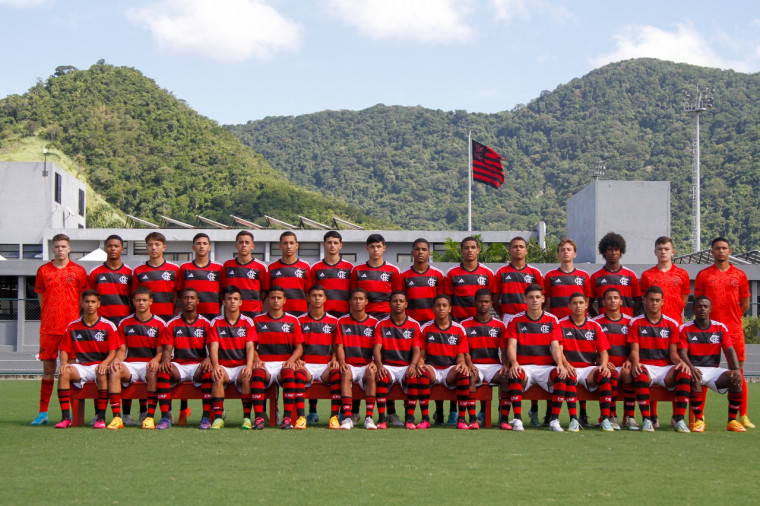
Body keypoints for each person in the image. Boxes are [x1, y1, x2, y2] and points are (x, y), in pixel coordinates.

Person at [694, 237, 753, 429]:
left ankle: (742, 415)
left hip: (734, 330)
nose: (721, 251)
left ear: (730, 251)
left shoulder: (740, 275)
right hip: (708, 330)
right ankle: (699, 416)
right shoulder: (703, 275)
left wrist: (732, 318)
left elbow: (744, 303)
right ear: (711, 251)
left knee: (738, 372)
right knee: (702, 372)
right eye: (717, 248)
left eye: (724, 248)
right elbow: (699, 302)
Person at [32, 233, 88, 426]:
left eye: (63, 246)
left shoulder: (79, 271)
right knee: (48, 371)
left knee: (69, 371)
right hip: (48, 328)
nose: (60, 249)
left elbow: (83, 299)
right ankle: (42, 413)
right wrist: (49, 313)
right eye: (57, 246)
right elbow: (41, 296)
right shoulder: (43, 271)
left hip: (70, 330)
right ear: (53, 249)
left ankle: (70, 413)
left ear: (69, 248)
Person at [88, 234, 141, 425]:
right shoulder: (95, 273)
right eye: (109, 246)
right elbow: (90, 298)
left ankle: (125, 414)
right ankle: (98, 412)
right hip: (101, 327)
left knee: (122, 368)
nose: (112, 249)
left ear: (122, 249)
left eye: (116, 246)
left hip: (123, 326)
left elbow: (133, 298)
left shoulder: (129, 273)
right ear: (105, 248)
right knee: (100, 367)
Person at [442, 236, 495, 425]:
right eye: (466, 248)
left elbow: (491, 298)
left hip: (479, 326)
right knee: (457, 368)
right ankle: (452, 412)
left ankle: (481, 413)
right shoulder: (452, 273)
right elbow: (447, 299)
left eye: (473, 247)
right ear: (462, 251)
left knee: (474, 368)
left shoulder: (488, 273)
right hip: (458, 325)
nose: (470, 251)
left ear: (478, 250)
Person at [350, 233, 402, 424]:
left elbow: (397, 296)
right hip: (363, 322)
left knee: (385, 365)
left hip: (385, 321)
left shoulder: (393, 271)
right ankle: (354, 412)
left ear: (384, 248)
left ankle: (391, 411)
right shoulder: (358, 270)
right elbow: (354, 295)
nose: (375, 250)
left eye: (378, 246)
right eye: (372, 246)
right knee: (358, 362)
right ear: (367, 248)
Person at [639, 236, 691, 427]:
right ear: (655, 251)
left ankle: (677, 415)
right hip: (652, 327)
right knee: (651, 367)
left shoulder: (682, 274)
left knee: (677, 369)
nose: (663, 252)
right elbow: (644, 298)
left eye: (666, 248)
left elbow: (684, 298)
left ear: (672, 251)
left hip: (674, 326)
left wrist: (671, 315)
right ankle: (652, 415)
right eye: (659, 248)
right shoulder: (647, 275)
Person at [504, 284, 568, 432]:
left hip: (545, 368)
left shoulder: (552, 320)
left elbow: (555, 346)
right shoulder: (515, 320)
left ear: (543, 299)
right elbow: (511, 346)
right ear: (525, 299)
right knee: (515, 373)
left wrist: (559, 363)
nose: (534, 300)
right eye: (531, 297)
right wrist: (514, 363)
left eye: (538, 297)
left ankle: (554, 420)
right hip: (525, 367)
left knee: (560, 374)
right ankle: (518, 419)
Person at [542, 238, 592, 426]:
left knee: (579, 366)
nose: (565, 252)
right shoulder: (550, 276)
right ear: (558, 254)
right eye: (562, 249)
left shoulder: (583, 276)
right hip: (557, 328)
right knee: (555, 369)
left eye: (569, 249)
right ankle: (549, 413)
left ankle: (583, 413)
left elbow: (587, 301)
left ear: (575, 253)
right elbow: (546, 303)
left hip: (577, 330)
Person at [627, 286, 691, 433]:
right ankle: (647, 421)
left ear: (662, 302)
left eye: (657, 300)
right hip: (646, 366)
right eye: (651, 300)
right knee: (639, 373)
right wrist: (636, 363)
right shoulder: (635, 323)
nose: (654, 303)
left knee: (683, 373)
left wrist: (681, 364)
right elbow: (634, 350)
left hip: (664, 368)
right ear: (645, 301)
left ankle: (679, 420)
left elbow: (673, 354)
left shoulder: (672, 324)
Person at [304, 231, 353, 424]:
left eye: (336, 243)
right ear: (324, 245)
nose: (332, 246)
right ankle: (313, 411)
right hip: (320, 318)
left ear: (341, 246)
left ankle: (343, 411)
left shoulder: (349, 268)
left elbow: (354, 293)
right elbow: (310, 293)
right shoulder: (315, 268)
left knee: (341, 365)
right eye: (329, 242)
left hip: (342, 320)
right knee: (314, 360)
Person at [678, 296, 745, 432]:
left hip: (714, 370)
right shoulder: (685, 328)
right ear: (694, 309)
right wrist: (691, 368)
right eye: (699, 306)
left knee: (736, 379)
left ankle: (732, 420)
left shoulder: (720, 328)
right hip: (695, 368)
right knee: (694, 378)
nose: (702, 309)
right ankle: (699, 420)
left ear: (710, 309)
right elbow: (682, 352)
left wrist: (737, 369)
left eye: (705, 306)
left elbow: (729, 349)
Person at [54, 290, 119, 429]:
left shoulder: (108, 326)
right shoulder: (72, 326)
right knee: (64, 373)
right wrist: (64, 363)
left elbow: (113, 352)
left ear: (99, 304)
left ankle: (100, 418)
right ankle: (65, 418)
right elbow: (64, 349)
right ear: (81, 304)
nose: (90, 305)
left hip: (100, 365)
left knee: (101, 373)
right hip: (82, 366)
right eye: (87, 302)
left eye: (93, 302)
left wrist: (105, 363)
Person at [106, 287, 165, 429]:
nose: (141, 303)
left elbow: (161, 352)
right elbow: (121, 351)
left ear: (151, 301)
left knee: (153, 371)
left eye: (144, 300)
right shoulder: (124, 323)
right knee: (114, 370)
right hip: (131, 364)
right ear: (133, 302)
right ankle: (117, 417)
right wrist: (116, 361)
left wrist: (156, 360)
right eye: (138, 300)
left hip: (149, 364)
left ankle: (149, 417)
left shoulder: (160, 324)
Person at [154, 288, 214, 430]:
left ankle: (205, 416)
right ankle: (165, 417)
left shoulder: (206, 324)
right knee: (163, 371)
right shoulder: (172, 324)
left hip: (197, 365)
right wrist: (166, 360)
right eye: (186, 298)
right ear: (181, 301)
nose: (189, 301)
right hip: (179, 366)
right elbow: (167, 350)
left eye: (192, 298)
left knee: (207, 371)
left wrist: (209, 359)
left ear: (198, 301)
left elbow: (213, 348)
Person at [250, 286, 306, 430]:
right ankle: (259, 419)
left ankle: (287, 418)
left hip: (283, 364)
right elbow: (252, 345)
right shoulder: (257, 320)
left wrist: (291, 360)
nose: (276, 301)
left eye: (279, 298)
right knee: (257, 374)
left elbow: (299, 348)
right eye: (273, 298)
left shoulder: (293, 320)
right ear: (267, 300)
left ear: (284, 300)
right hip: (265, 364)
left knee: (289, 373)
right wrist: (256, 358)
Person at [419, 295, 477, 430]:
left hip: (449, 369)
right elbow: (421, 355)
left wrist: (462, 364)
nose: (441, 308)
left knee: (463, 373)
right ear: (433, 308)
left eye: (444, 305)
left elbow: (460, 356)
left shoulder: (459, 329)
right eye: (438, 305)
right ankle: (425, 418)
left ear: (450, 309)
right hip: (433, 368)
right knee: (422, 373)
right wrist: (420, 365)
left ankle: (461, 419)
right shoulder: (425, 328)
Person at [559, 293, 615, 432]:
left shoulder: (595, 326)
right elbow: (558, 350)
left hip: (588, 369)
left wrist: (603, 365)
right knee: (569, 376)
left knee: (605, 375)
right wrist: (566, 364)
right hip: (570, 367)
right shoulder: (561, 324)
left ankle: (605, 419)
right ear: (569, 306)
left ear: (586, 305)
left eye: (581, 303)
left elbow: (603, 351)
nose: (578, 306)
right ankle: (573, 420)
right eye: (574, 303)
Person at [373, 291, 424, 429]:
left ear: (406, 304)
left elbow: (417, 350)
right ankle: (382, 419)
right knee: (381, 377)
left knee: (413, 377)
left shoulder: (414, 325)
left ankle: (410, 419)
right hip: (388, 365)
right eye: (395, 301)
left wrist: (413, 365)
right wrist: (379, 365)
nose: (398, 304)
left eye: (401, 301)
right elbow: (377, 348)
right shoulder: (381, 324)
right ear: (389, 304)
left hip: (405, 366)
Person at [207, 286, 257, 430]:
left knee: (247, 376)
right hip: (224, 365)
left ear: (241, 302)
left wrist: (248, 366)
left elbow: (250, 346)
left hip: (241, 365)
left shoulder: (248, 322)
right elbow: (214, 347)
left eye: (235, 299)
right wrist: (216, 365)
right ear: (223, 302)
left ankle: (247, 418)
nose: (232, 302)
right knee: (217, 376)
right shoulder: (216, 322)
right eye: (229, 299)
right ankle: (218, 418)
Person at [459, 289, 509, 428]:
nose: (483, 304)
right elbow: (464, 350)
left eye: (486, 301)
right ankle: (473, 419)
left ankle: (504, 419)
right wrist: (469, 364)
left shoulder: (500, 325)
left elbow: (504, 349)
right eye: (480, 301)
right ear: (475, 303)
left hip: (493, 365)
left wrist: (505, 365)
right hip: (475, 364)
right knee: (470, 376)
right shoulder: (465, 325)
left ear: (491, 304)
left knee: (506, 377)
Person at [334, 288, 379, 430]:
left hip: (366, 364)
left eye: (361, 299)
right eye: (355, 299)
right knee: (345, 372)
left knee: (372, 373)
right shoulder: (342, 321)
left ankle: (369, 418)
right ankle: (348, 417)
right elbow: (339, 346)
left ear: (366, 302)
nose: (358, 301)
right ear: (350, 301)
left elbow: (378, 347)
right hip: (351, 365)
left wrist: (374, 361)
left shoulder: (374, 323)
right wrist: (342, 362)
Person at [297, 284, 340, 429]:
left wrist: (334, 359)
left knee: (336, 373)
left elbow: (337, 345)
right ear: (308, 298)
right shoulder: (300, 321)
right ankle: (301, 417)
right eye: (314, 295)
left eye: (320, 296)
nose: (317, 298)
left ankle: (334, 417)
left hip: (325, 366)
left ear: (325, 299)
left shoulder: (334, 321)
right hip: (307, 364)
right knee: (298, 375)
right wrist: (298, 360)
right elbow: (297, 345)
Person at [591, 288, 634, 430]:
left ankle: (628, 416)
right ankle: (611, 415)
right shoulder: (596, 322)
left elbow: (635, 346)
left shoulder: (630, 322)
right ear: (603, 302)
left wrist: (629, 359)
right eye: (609, 298)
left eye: (616, 298)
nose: (612, 301)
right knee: (610, 374)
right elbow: (592, 348)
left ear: (621, 301)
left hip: (624, 365)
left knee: (628, 373)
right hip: (605, 365)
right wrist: (600, 361)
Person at [589, 232, 641, 317]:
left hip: (626, 326)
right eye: (610, 249)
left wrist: (630, 317)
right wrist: (597, 319)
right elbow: (588, 303)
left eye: (616, 249)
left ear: (621, 252)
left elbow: (638, 301)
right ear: (604, 252)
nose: (613, 252)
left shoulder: (630, 275)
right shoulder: (596, 277)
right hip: (604, 326)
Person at [221, 230, 269, 319]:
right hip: (232, 314)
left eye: (247, 242)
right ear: (236, 245)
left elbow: (264, 291)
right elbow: (223, 289)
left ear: (252, 246)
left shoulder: (261, 267)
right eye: (241, 242)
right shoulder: (227, 265)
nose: (244, 245)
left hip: (254, 313)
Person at [494, 236, 544, 319]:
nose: (518, 249)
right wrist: (502, 315)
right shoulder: (501, 272)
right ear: (509, 250)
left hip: (530, 316)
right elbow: (495, 300)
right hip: (509, 316)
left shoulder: (535, 272)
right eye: (515, 247)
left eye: (521, 247)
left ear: (526, 251)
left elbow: (542, 298)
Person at [177, 233, 223, 321]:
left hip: (213, 315)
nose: (201, 246)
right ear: (193, 247)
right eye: (198, 243)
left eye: (205, 244)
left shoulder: (219, 268)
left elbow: (221, 293)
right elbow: (180, 292)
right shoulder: (184, 268)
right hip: (191, 316)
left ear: (209, 247)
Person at [400, 238, 444, 324]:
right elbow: (401, 300)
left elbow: (442, 301)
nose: (420, 252)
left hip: (433, 323)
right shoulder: (403, 275)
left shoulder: (438, 274)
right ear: (412, 253)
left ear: (429, 254)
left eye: (424, 249)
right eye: (417, 249)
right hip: (410, 323)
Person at [268, 231, 311, 317]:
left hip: (300, 314)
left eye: (291, 243)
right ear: (280, 246)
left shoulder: (305, 267)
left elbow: (308, 293)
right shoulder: (271, 268)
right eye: (285, 243)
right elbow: (268, 294)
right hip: (278, 315)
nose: (288, 246)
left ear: (297, 245)